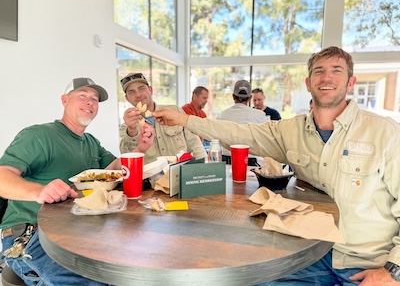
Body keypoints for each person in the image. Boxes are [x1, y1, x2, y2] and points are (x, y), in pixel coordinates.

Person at [152, 46, 400, 286]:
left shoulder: (384, 132)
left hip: (369, 263)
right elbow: (239, 133)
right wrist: (184, 119)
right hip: (311, 254)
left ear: (350, 83)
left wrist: (394, 270)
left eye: (337, 70)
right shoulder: (290, 130)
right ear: (308, 82)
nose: (326, 77)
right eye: (319, 71)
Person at [0, 77, 155, 285]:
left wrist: (140, 149)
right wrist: (39, 192)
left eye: (95, 99)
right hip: (31, 234)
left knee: (131, 268)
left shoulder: (91, 142)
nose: (90, 102)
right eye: (82, 96)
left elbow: (113, 169)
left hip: (78, 229)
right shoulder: (38, 135)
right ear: (64, 100)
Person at [119, 73, 207, 164]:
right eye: (131, 92)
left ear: (150, 90)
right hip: (150, 178)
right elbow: (127, 160)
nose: (138, 95)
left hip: (181, 173)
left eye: (141, 88)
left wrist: (206, 168)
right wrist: (131, 130)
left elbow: (195, 144)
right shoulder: (126, 128)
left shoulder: (174, 111)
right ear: (127, 98)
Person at [218, 80, 268, 164]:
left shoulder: (222, 115)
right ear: (250, 97)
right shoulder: (260, 116)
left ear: (233, 96)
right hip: (251, 162)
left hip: (227, 161)